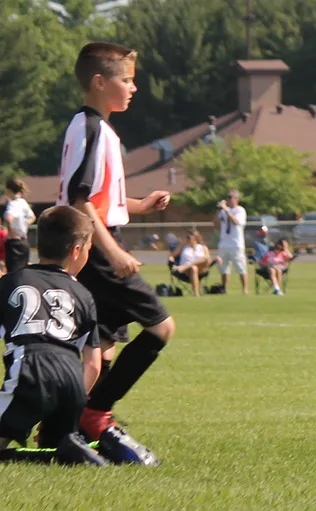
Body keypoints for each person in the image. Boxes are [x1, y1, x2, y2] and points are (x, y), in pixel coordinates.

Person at [57, 42, 173, 457]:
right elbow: (79, 198)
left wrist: (139, 205)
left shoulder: (97, 128)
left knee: (100, 349)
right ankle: (96, 413)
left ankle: (65, 422)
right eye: (126, 79)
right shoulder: (89, 127)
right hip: (97, 246)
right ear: (99, 82)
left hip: (97, 242)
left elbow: (100, 198)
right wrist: (115, 253)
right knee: (161, 328)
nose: (134, 87)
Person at [0, 206, 105, 465]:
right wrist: (72, 404)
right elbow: (93, 363)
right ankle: (68, 448)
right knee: (56, 450)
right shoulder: (83, 294)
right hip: (72, 384)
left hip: (30, 372)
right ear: (76, 251)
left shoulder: (11, 282)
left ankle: (17, 456)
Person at [215, 189, 248, 294]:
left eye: (231, 197)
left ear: (236, 199)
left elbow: (235, 222)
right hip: (224, 243)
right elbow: (215, 224)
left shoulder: (240, 210)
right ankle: (224, 289)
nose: (228, 200)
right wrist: (219, 210)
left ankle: (245, 289)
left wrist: (226, 210)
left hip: (236, 244)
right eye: (227, 197)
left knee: (241, 267)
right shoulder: (224, 211)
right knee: (223, 269)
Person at [4, 178, 37, 273]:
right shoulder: (23, 202)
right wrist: (23, 224)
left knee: (13, 273)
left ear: (9, 190)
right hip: (24, 242)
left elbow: (9, 218)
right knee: (23, 271)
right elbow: (32, 217)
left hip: (14, 242)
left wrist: (11, 231)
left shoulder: (13, 204)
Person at [170, 230, 213, 297]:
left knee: (205, 259)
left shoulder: (203, 247)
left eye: (188, 237)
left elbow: (208, 260)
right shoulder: (183, 246)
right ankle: (196, 294)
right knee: (193, 268)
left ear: (195, 238)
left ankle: (185, 266)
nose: (186, 239)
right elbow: (172, 256)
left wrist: (185, 266)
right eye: (186, 237)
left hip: (200, 270)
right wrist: (171, 261)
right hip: (186, 272)